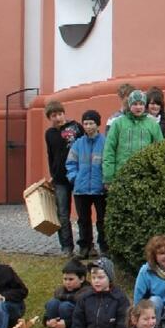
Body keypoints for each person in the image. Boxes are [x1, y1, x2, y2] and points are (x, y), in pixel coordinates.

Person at [44, 100, 83, 255]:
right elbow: (50, 155)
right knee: (63, 213)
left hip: (78, 175)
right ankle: (66, 246)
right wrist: (52, 174)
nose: (58, 118)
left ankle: (86, 244)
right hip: (60, 178)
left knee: (82, 212)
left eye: (60, 114)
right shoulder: (49, 134)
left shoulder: (76, 127)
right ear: (49, 117)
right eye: (54, 115)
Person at [66, 108, 107, 257]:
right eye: (85, 123)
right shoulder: (77, 144)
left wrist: (105, 180)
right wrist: (74, 178)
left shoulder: (105, 143)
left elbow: (108, 163)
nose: (88, 126)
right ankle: (86, 246)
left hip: (100, 188)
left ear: (97, 124)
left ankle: (104, 246)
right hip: (81, 189)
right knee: (83, 220)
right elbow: (70, 163)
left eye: (91, 123)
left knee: (103, 220)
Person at [68, 258, 130, 328]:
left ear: (109, 278)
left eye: (101, 277)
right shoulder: (84, 298)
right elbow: (77, 326)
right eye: (93, 277)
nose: (96, 281)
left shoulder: (120, 299)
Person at [102, 90, 163, 184]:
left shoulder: (153, 125)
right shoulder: (118, 123)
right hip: (122, 175)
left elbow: (160, 150)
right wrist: (108, 176)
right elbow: (109, 150)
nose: (138, 107)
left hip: (146, 176)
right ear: (129, 105)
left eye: (141, 104)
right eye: (135, 104)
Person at [43, 258, 92, 328]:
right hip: (59, 324)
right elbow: (50, 309)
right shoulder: (60, 291)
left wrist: (67, 323)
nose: (67, 282)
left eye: (71, 279)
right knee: (52, 303)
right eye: (65, 279)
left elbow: (87, 316)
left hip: (77, 327)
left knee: (65, 306)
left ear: (82, 279)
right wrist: (47, 320)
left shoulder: (87, 293)